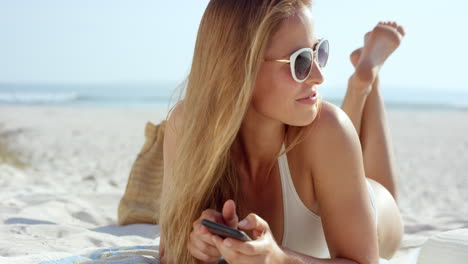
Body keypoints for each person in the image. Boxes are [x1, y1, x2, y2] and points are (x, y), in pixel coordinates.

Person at [159, 0, 405, 263]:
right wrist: (197, 246)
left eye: (318, 52)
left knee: (379, 186)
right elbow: (168, 251)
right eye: (300, 62)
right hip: (331, 171)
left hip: (375, 213)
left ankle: (366, 83)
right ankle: (364, 77)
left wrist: (279, 259)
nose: (319, 76)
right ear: (240, 68)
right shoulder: (187, 126)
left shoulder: (331, 129)